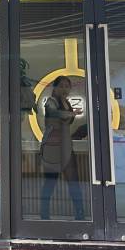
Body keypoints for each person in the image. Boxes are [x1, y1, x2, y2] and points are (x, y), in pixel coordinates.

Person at [39, 75, 85, 220]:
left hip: (66, 144)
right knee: (50, 182)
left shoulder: (66, 102)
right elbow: (54, 113)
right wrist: (72, 113)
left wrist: (71, 112)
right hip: (52, 146)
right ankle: (44, 215)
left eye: (67, 86)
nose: (65, 89)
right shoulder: (50, 101)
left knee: (73, 181)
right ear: (55, 87)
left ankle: (80, 214)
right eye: (61, 86)